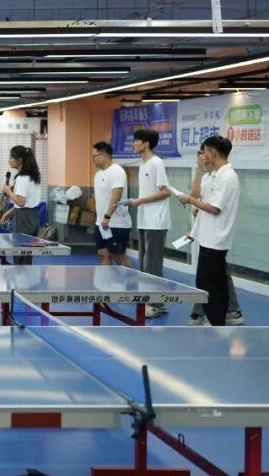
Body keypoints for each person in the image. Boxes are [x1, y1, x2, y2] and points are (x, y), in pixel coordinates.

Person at [177, 135, 239, 327]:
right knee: (214, 282)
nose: (202, 155)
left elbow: (214, 208)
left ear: (213, 153)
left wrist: (190, 201)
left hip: (216, 239)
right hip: (206, 237)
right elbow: (196, 195)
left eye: (204, 152)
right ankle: (218, 320)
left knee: (208, 284)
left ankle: (216, 322)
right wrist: (199, 170)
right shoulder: (210, 176)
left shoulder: (228, 177)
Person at [126, 128, 171, 318]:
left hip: (156, 222)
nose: (133, 144)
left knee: (153, 266)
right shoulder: (143, 164)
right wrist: (138, 201)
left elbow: (165, 192)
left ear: (146, 144)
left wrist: (140, 201)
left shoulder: (156, 163)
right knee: (145, 266)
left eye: (137, 141)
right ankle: (154, 301)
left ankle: (156, 305)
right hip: (145, 221)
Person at [90, 142, 132, 268]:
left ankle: (133, 281)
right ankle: (106, 281)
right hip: (101, 223)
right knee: (103, 254)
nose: (93, 160)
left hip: (116, 224)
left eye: (94, 156)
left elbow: (117, 195)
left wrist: (107, 216)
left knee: (118, 257)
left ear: (104, 155)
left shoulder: (117, 171)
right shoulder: (98, 174)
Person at [1, 145, 42, 265]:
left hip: (23, 219)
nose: (9, 160)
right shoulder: (34, 176)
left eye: (11, 157)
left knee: (20, 252)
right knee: (28, 252)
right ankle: (26, 275)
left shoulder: (22, 178)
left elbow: (21, 201)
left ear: (19, 160)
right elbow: (28, 202)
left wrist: (8, 190)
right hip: (33, 216)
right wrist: (11, 211)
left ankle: (20, 275)